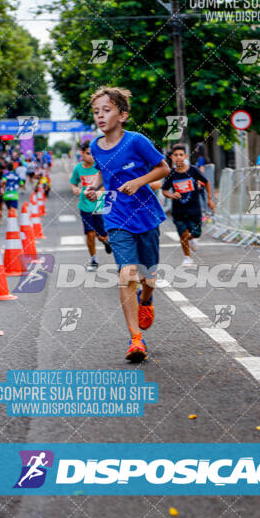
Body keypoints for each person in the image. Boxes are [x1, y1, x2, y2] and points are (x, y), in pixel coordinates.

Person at [84, 86, 170, 363]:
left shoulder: (137, 141)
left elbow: (163, 169)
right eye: (96, 111)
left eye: (106, 110)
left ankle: (147, 300)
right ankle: (135, 338)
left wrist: (138, 181)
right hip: (116, 215)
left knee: (148, 278)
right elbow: (103, 171)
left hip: (145, 216)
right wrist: (94, 187)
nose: (100, 116)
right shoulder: (95, 146)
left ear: (122, 115)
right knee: (126, 275)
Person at [162, 143, 215, 266]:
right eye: (176, 155)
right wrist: (171, 195)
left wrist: (210, 199)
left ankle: (191, 240)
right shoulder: (171, 174)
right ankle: (187, 257)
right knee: (182, 234)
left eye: (181, 155)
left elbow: (206, 182)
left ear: (185, 156)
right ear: (172, 158)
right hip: (178, 210)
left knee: (196, 233)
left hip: (194, 208)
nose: (178, 157)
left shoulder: (193, 170)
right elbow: (164, 190)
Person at [70, 140, 112, 271]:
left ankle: (106, 241)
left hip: (100, 204)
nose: (91, 157)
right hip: (85, 205)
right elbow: (73, 183)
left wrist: (101, 191)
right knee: (90, 234)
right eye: (88, 153)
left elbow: (109, 182)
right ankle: (93, 259)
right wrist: (75, 189)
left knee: (101, 235)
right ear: (82, 153)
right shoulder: (78, 169)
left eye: (93, 154)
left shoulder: (100, 166)